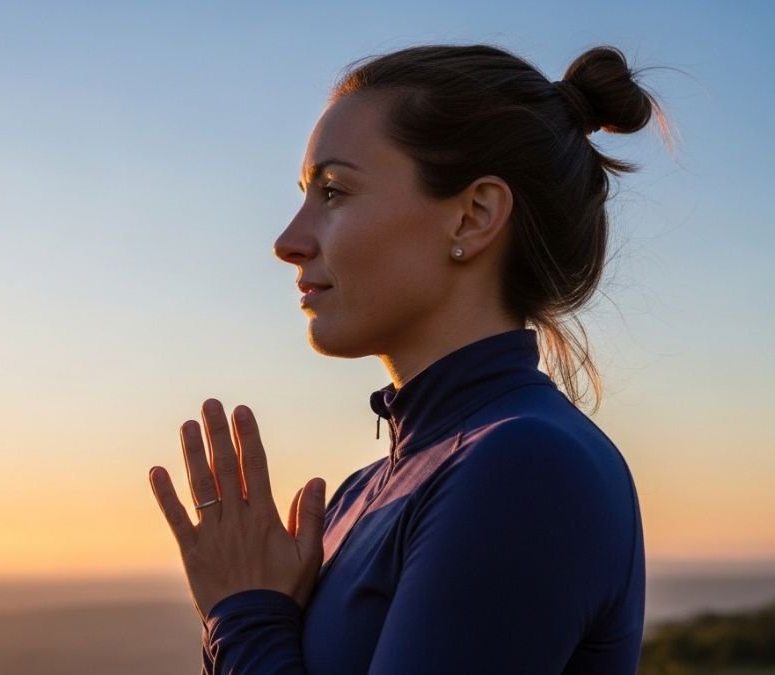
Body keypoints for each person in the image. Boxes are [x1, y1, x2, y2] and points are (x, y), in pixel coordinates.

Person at [147, 43, 667, 674]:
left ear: (473, 218)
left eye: (334, 192)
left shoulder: (527, 466)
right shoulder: (359, 496)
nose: (289, 241)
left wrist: (242, 614)